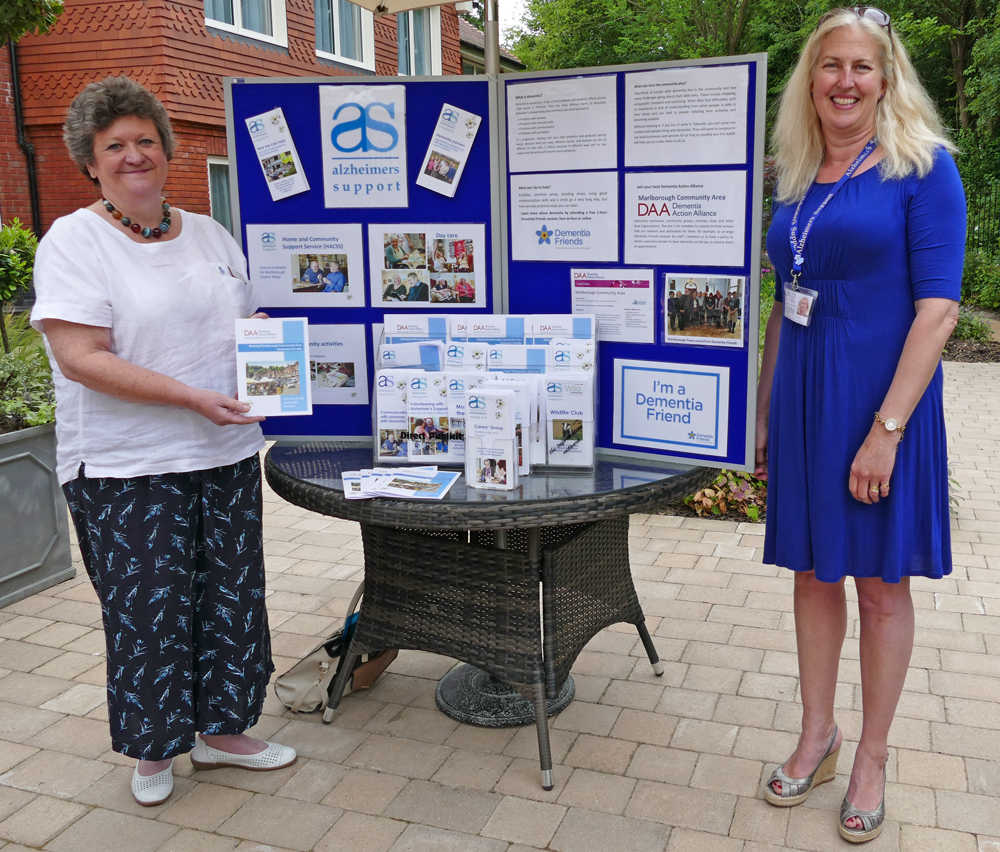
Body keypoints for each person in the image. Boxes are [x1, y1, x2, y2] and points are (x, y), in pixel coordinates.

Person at [30, 76, 296, 808]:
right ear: (90, 160)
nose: (134, 154)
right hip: (127, 465)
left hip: (224, 454)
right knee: (149, 609)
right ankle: (155, 748)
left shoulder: (210, 235)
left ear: (168, 150)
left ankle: (225, 732)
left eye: (146, 139)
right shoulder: (74, 241)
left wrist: (283, 337)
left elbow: (247, 329)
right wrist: (187, 396)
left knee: (233, 598)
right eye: (115, 145)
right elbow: (80, 356)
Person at [755, 8, 964, 844]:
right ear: (811, 76)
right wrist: (767, 407)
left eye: (862, 67)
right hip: (807, 398)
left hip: (885, 405)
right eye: (829, 65)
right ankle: (819, 734)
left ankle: (872, 754)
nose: (844, 80)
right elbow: (783, 297)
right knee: (811, 574)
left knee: (880, 586)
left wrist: (887, 430)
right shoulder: (798, 172)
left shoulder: (924, 168)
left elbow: (941, 310)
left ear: (887, 78)